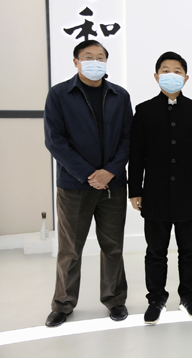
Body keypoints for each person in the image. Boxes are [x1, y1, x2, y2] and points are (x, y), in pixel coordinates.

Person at [43, 40, 132, 327]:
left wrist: (110, 172)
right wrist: (88, 174)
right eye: (88, 57)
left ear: (107, 61)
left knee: (113, 246)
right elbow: (55, 141)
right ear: (76, 61)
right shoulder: (59, 94)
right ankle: (63, 304)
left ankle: (115, 300)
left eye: (100, 57)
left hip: (113, 185)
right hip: (74, 185)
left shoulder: (119, 95)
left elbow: (129, 138)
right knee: (70, 248)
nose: (95, 62)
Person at [128, 52, 192, 324]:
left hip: (190, 194)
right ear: (156, 76)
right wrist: (135, 190)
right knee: (156, 252)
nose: (171, 75)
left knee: (189, 250)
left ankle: (189, 297)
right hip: (154, 194)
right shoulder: (144, 110)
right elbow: (136, 154)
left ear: (186, 78)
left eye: (177, 71)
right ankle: (156, 299)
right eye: (165, 70)